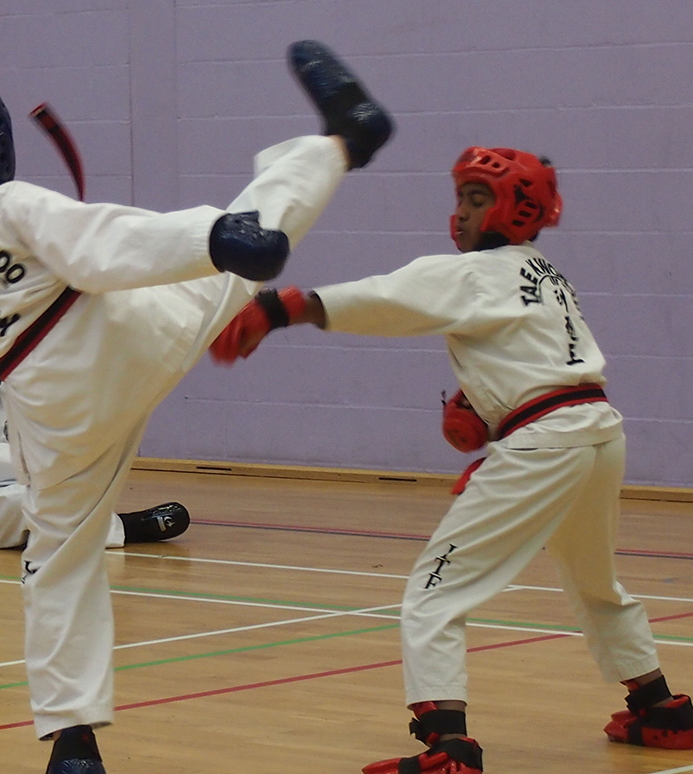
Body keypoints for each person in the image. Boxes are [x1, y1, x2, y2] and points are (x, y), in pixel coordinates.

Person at [0, 39, 393, 774]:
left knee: (59, 560)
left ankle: (73, 742)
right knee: (241, 249)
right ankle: (343, 141)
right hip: (120, 341)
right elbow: (108, 242)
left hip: (52, 407)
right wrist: (218, 240)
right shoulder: (14, 206)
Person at [210, 146, 693, 772]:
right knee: (596, 584)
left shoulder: (474, 274)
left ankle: (449, 749)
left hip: (544, 445)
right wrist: (491, 409)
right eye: (460, 197)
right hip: (596, 434)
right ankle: (660, 709)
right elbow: (540, 361)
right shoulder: (543, 272)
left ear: (517, 210)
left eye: (476, 198)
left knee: (434, 593)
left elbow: (387, 297)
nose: (459, 214)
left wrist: (282, 308)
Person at [0, 343, 191, 549]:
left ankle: (58, 531)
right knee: (28, 498)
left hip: (22, 485)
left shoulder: (5, 394)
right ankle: (129, 528)